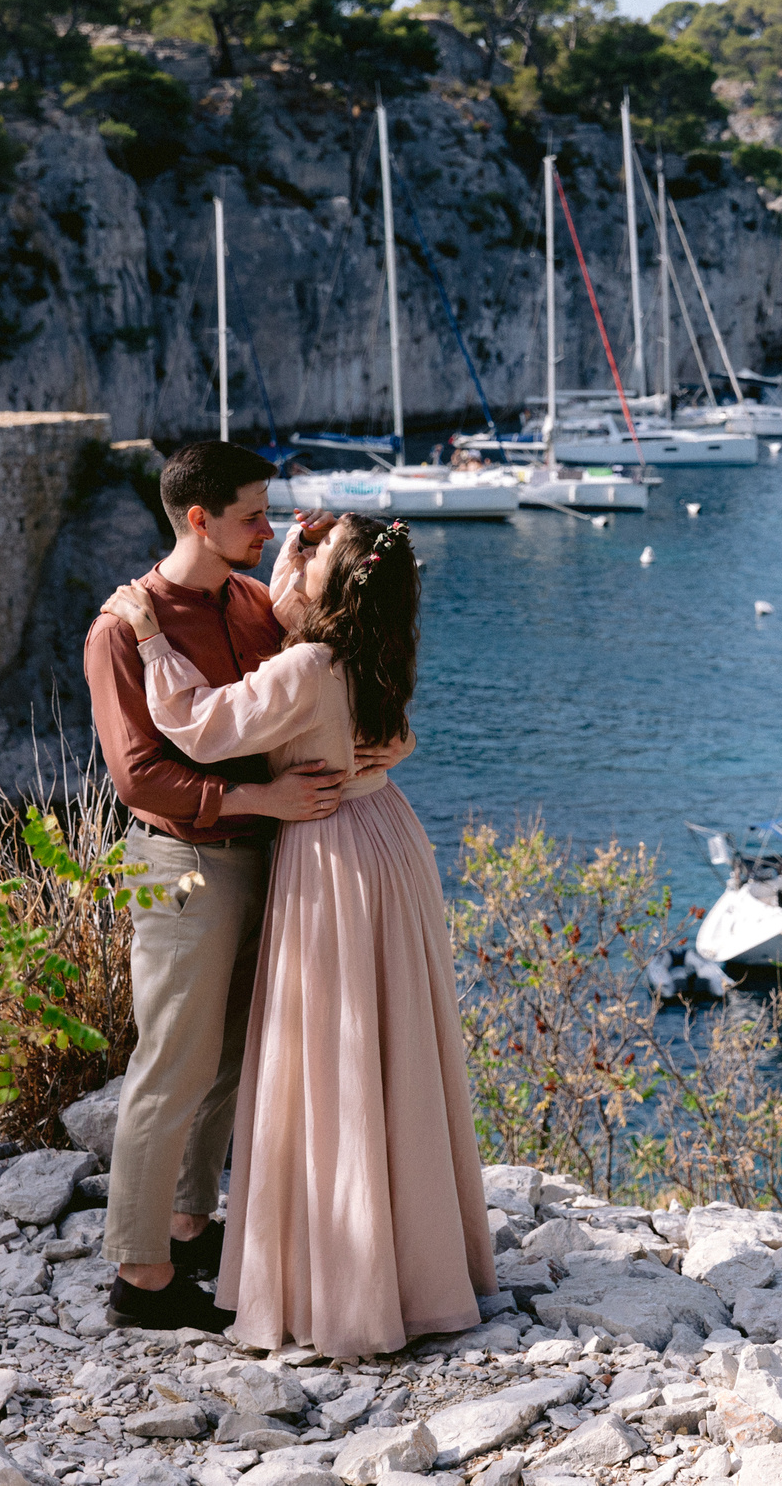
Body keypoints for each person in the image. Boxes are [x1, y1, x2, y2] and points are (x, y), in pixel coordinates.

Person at [101, 515, 495, 1358]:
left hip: (330, 855)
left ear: (336, 583)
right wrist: (299, 569)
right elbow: (317, 650)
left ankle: (340, 1277)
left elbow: (203, 722)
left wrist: (146, 634)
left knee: (333, 1057)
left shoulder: (311, 665)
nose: (297, 549)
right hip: (391, 839)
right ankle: (416, 1259)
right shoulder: (379, 643)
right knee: (397, 1050)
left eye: (318, 549)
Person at [85, 441, 351, 1333]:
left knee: (232, 1056)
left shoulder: (249, 601)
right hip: (183, 866)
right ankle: (138, 1276)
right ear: (198, 517)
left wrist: (292, 569)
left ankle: (189, 1225)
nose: (266, 527)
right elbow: (139, 777)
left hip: (267, 857)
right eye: (253, 516)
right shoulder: (122, 629)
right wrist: (261, 795)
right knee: (171, 1064)